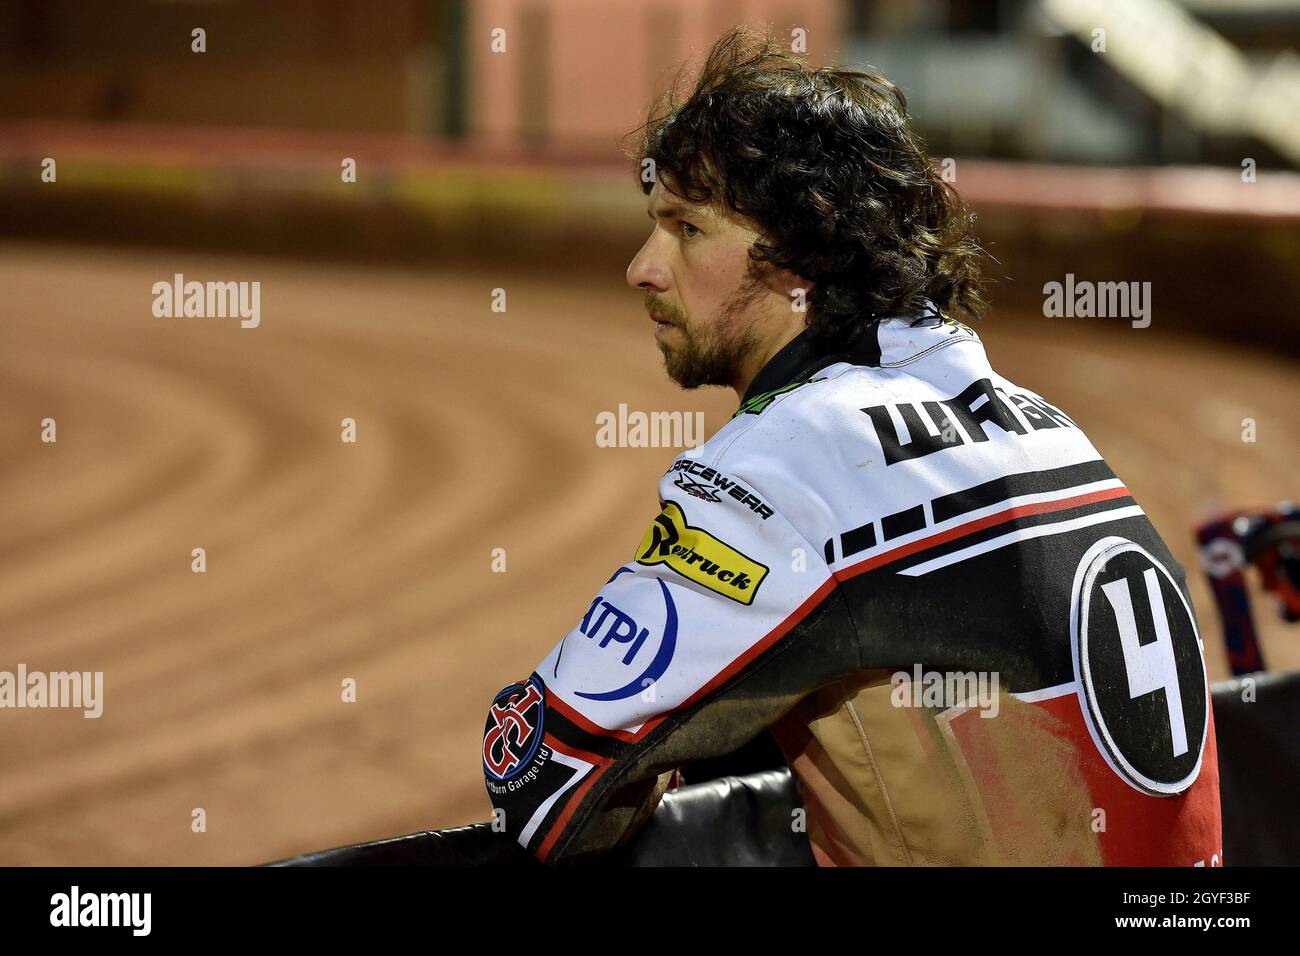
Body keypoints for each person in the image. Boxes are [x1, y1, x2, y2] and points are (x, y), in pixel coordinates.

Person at [481, 27, 1222, 866]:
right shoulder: (1047, 424)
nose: (642, 268)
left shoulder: (790, 459)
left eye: (686, 228)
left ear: (804, 251)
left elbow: (541, 770)